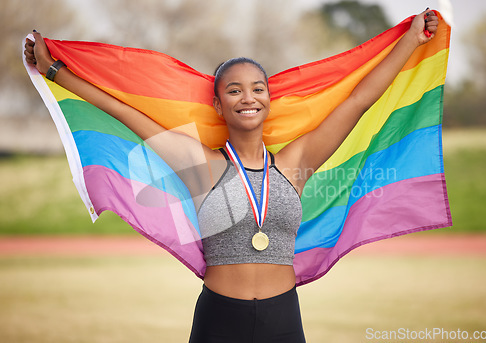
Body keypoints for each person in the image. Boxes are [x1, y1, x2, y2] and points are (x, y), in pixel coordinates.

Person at [24, 9, 439, 343]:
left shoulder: (296, 162)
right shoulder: (201, 165)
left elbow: (359, 99)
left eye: (258, 88)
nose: (248, 97)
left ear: (269, 101)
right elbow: (126, 113)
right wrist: (56, 71)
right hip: (219, 319)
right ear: (219, 106)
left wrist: (411, 40)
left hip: (283, 320)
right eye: (234, 90)